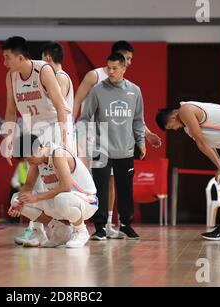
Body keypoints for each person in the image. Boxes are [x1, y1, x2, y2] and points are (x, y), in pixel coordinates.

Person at [73, 41, 161, 238]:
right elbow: (85, 117)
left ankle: (126, 225)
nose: (111, 71)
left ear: (123, 68)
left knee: (125, 190)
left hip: (125, 149)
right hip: (100, 148)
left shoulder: (135, 91)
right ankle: (100, 228)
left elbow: (138, 120)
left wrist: (140, 141)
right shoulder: (97, 90)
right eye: (109, 68)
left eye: (115, 68)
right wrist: (80, 137)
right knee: (100, 189)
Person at [156, 101, 220, 241]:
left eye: (171, 127)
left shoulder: (185, 110)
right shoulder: (188, 127)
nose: (175, 129)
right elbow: (208, 144)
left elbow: (201, 142)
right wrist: (219, 165)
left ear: (172, 118)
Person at [2, 36, 70, 247]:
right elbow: (11, 111)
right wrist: (9, 138)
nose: (5, 63)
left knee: (59, 181)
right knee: (32, 183)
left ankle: (75, 228)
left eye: (7, 58)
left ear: (20, 57)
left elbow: (60, 106)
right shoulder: (11, 77)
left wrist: (64, 140)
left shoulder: (44, 71)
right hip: (32, 130)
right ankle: (38, 231)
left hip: (52, 128)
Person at [8, 134, 98, 248]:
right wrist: (18, 202)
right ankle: (60, 231)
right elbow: (28, 186)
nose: (30, 163)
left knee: (61, 199)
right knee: (17, 198)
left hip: (86, 201)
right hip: (61, 201)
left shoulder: (58, 154)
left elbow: (66, 187)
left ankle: (81, 231)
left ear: (38, 149)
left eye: (29, 159)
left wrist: (35, 198)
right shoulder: (37, 161)